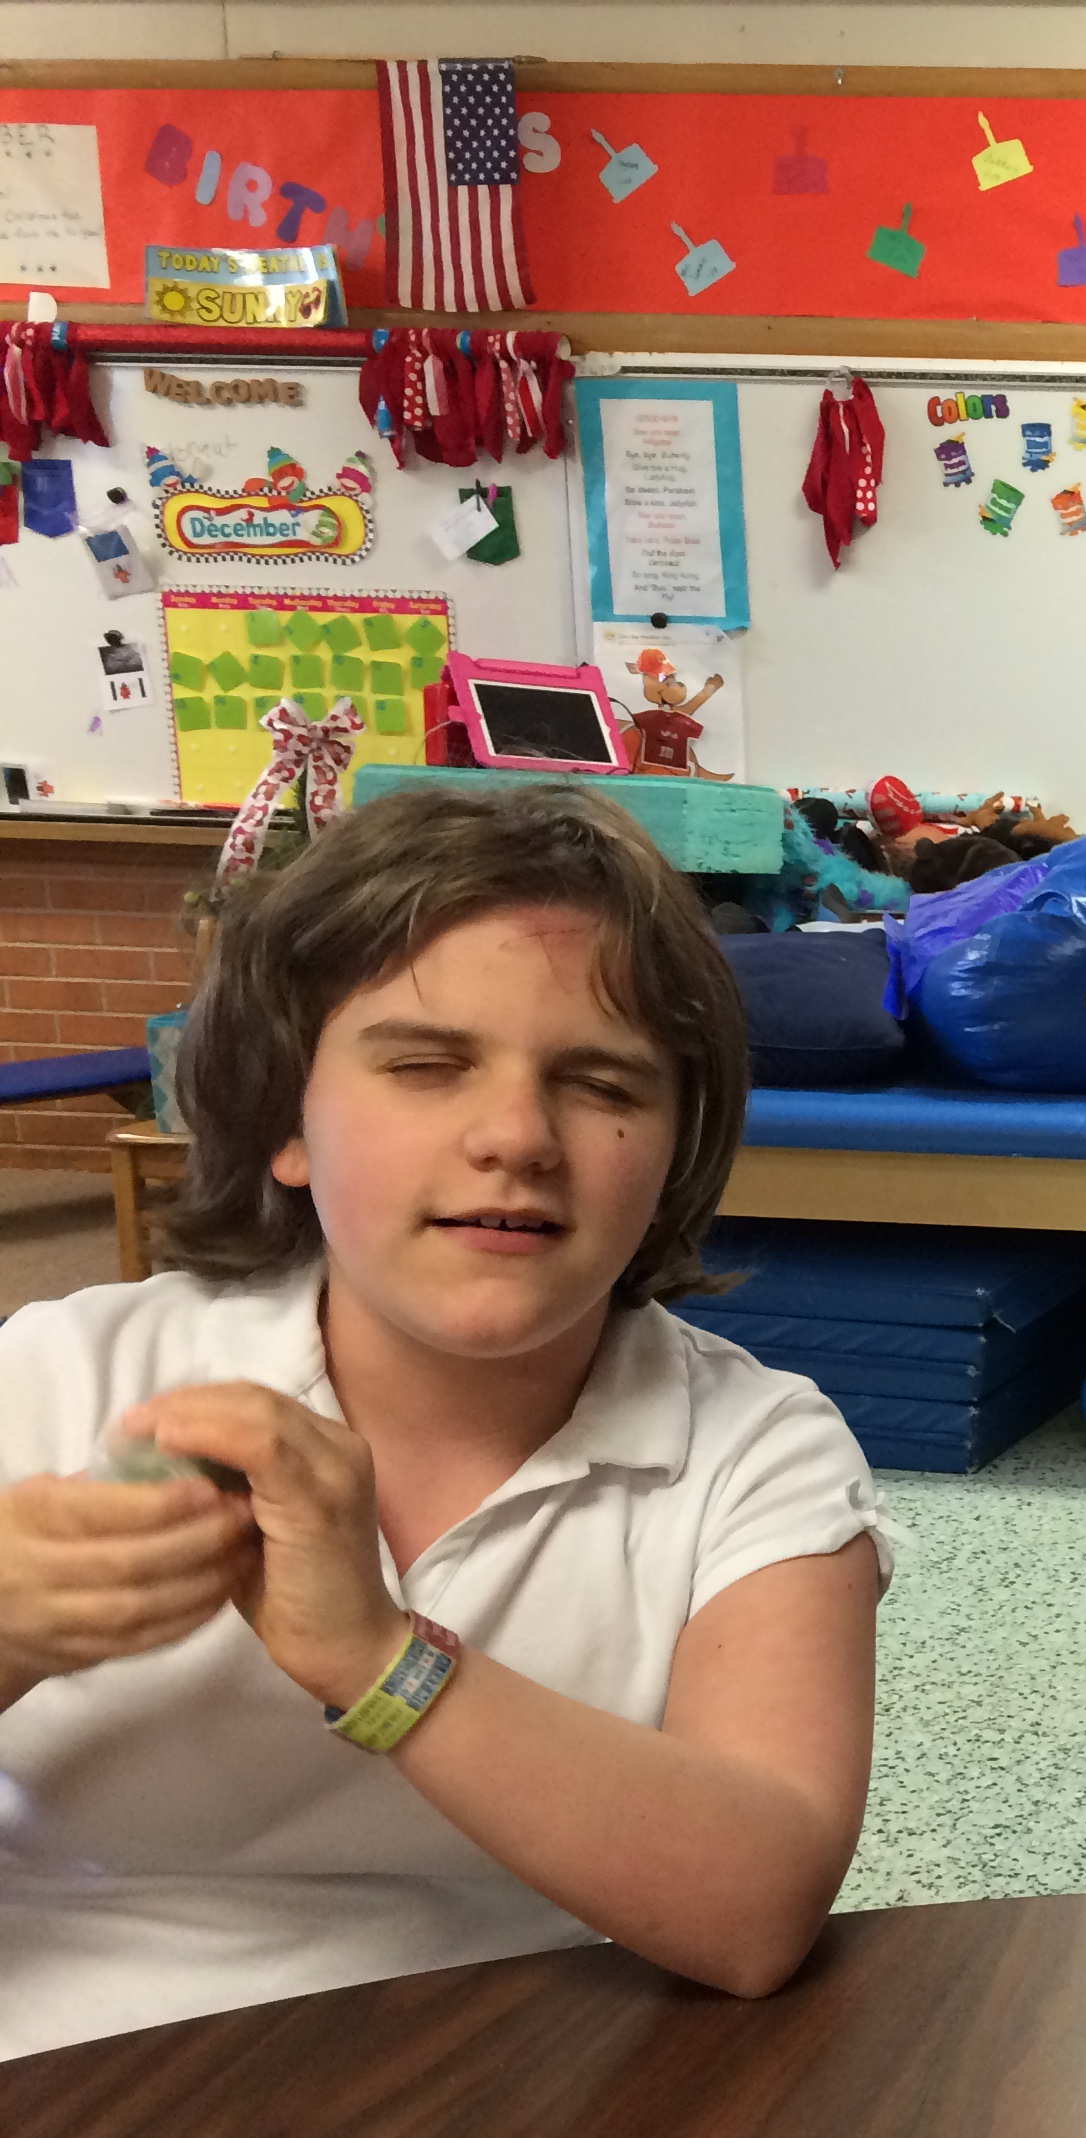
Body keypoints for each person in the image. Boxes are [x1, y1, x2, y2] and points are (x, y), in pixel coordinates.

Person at [0, 784, 889, 2061]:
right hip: (56, 2073)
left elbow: (758, 1912)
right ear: (287, 1122)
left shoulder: (754, 1455)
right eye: (425, 1066)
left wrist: (379, 1660)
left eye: (598, 1081)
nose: (516, 1137)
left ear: (677, 1143)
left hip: (508, 2102)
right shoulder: (64, 1375)